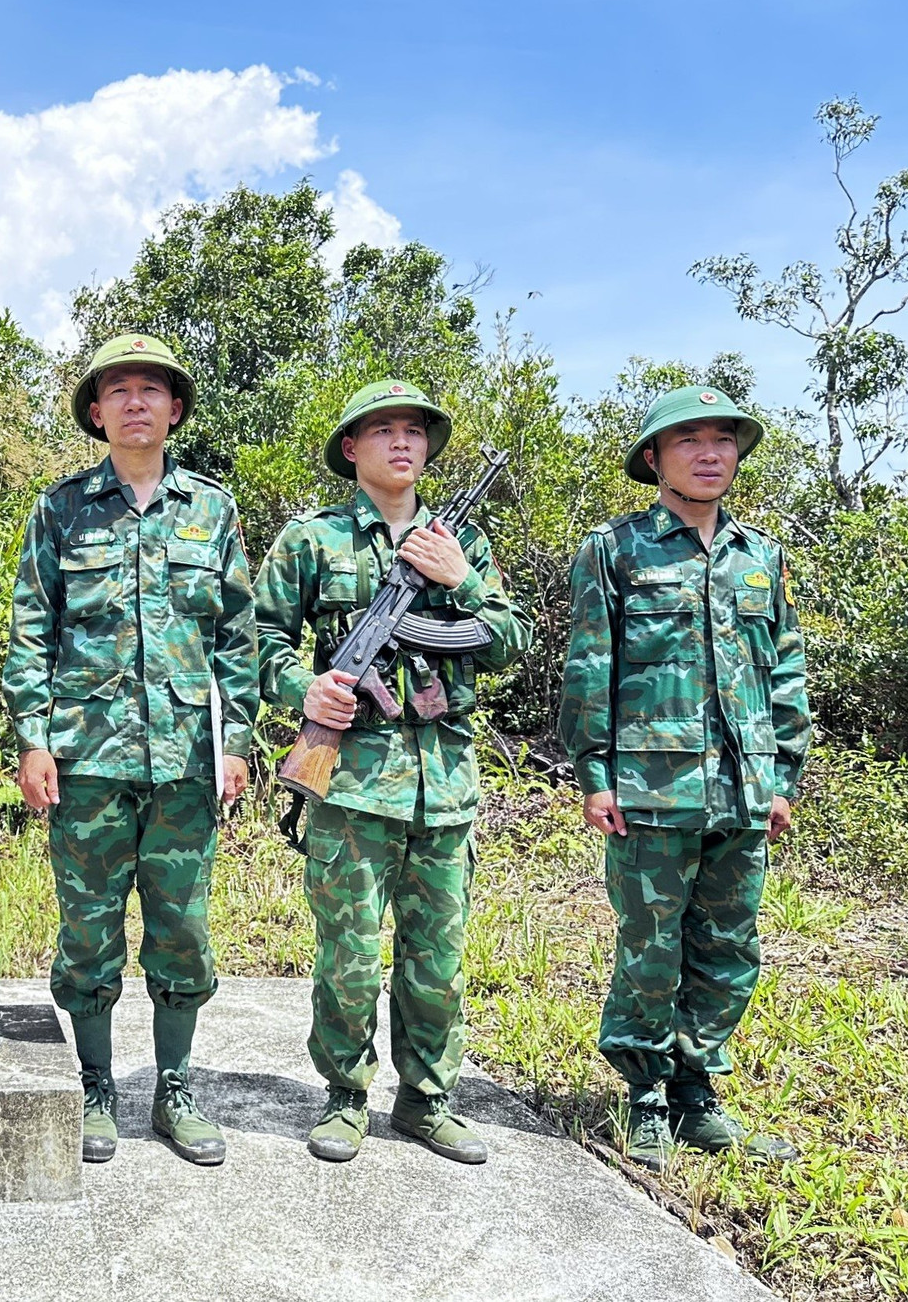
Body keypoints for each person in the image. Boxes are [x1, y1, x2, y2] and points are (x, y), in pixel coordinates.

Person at [253, 379, 531, 1165]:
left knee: (436, 959)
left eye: (414, 431)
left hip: (443, 784)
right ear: (352, 448)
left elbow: (512, 639)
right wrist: (300, 689)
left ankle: (426, 1100)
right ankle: (344, 1096)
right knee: (347, 953)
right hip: (350, 782)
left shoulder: (460, 543)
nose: (402, 443)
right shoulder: (313, 539)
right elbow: (256, 640)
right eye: (382, 431)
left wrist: (460, 581)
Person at [2, 332, 259, 1167]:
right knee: (88, 931)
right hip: (88, 761)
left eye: (152, 390)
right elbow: (32, 628)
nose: (136, 402)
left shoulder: (212, 510)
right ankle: (96, 1082)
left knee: (181, 930)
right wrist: (34, 739)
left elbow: (237, 639)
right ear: (96, 411)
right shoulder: (62, 509)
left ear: (175, 409)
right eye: (119, 391)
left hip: (186, 761)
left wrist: (238, 742)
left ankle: (175, 1086)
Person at [559, 385, 811, 1171]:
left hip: (742, 789)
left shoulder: (760, 555)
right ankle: (643, 1097)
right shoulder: (615, 549)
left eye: (723, 440)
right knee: (651, 946)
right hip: (649, 788)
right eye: (689, 441)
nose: (710, 454)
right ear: (654, 458)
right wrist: (595, 775)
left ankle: (698, 1095)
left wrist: (782, 777)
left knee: (730, 945)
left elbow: (787, 673)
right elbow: (589, 669)